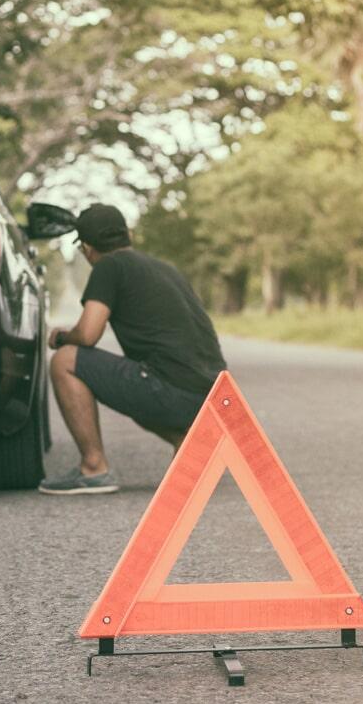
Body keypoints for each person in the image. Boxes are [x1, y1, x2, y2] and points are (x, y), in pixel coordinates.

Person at [38, 204, 228, 495]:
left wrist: (62, 338)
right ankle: (188, 440)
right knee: (138, 376)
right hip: (212, 396)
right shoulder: (165, 268)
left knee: (64, 360)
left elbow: (88, 334)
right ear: (128, 236)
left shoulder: (108, 267)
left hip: (171, 391)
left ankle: (93, 468)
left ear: (87, 248)